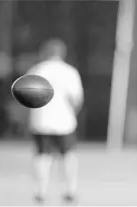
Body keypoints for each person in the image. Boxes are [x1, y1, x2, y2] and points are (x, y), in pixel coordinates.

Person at [26, 38, 84, 203]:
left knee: (42, 156)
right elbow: (76, 100)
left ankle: (40, 192)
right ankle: (70, 190)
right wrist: (72, 115)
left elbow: (26, 97)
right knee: (68, 155)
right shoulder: (70, 72)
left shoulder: (36, 70)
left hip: (40, 121)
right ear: (62, 53)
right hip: (64, 122)